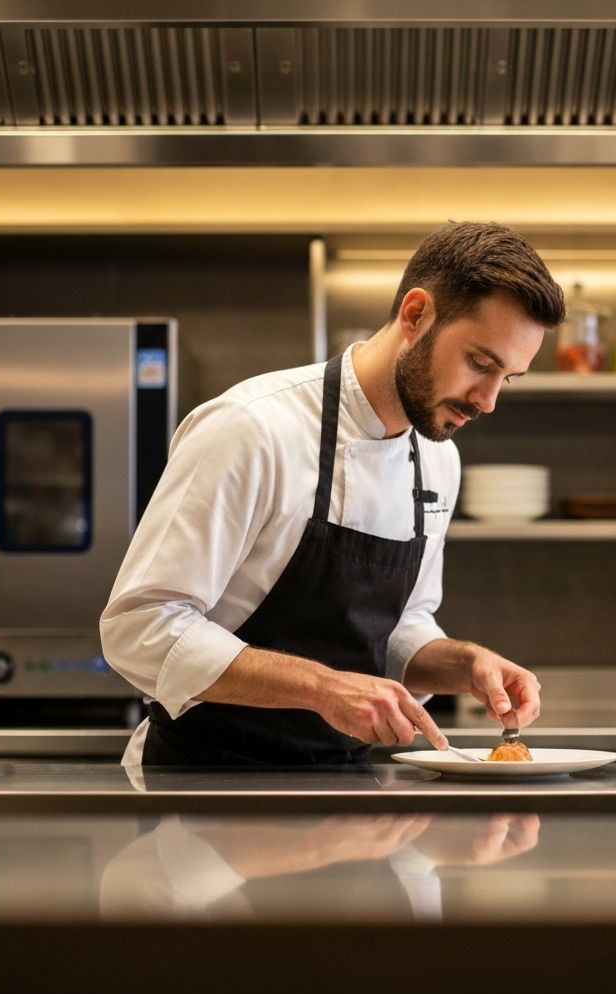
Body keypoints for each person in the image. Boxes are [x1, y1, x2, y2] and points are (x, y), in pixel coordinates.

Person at [100, 220, 565, 767]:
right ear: (416, 316)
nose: (487, 401)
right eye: (480, 364)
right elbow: (139, 627)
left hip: (348, 789)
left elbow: (396, 631)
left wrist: (461, 664)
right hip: (205, 789)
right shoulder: (252, 429)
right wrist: (321, 687)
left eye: (506, 378)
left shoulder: (438, 457)